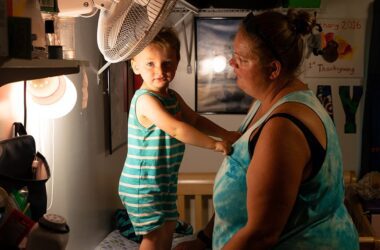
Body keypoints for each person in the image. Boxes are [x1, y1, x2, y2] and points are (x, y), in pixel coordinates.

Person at [175, 9, 359, 250]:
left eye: (240, 59)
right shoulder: (266, 104)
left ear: (273, 70)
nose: (232, 63)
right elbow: (240, 189)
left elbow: (260, 236)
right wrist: (203, 241)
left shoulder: (283, 129)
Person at [118, 27, 241, 250]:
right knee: (154, 236)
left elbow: (194, 120)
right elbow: (176, 129)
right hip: (142, 183)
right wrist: (213, 144)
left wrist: (226, 134)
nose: (160, 70)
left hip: (162, 181)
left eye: (167, 63)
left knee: (168, 226)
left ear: (177, 62)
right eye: (150, 64)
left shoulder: (173, 97)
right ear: (135, 66)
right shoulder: (145, 100)